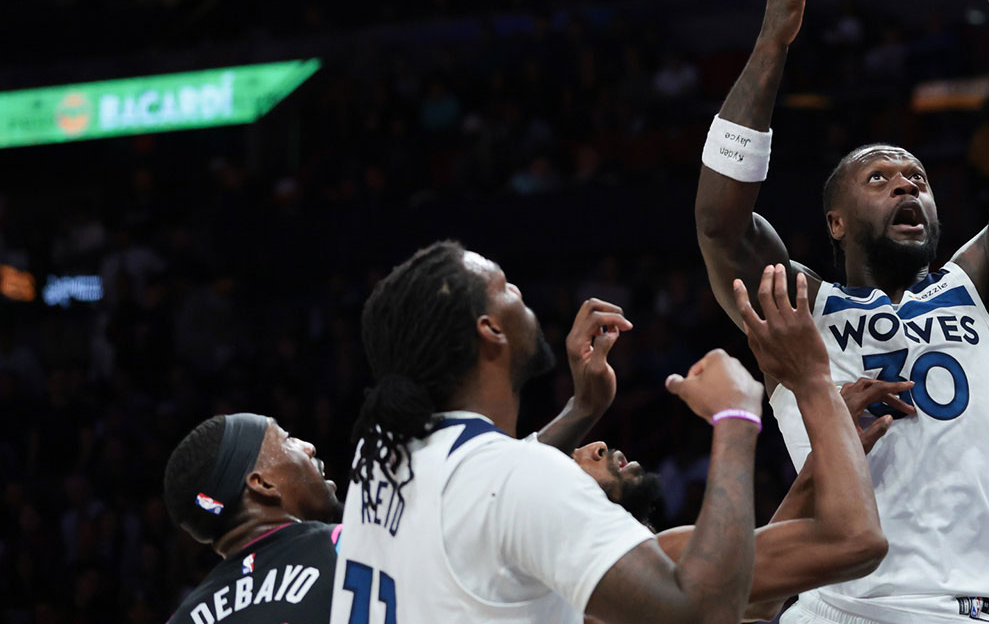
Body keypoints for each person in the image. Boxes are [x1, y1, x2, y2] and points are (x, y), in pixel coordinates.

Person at [696, 0, 989, 624]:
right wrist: (772, 39)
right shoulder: (801, 309)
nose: (908, 188)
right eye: (880, 179)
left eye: (918, 179)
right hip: (838, 608)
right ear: (835, 222)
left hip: (963, 607)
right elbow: (720, 224)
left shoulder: (988, 288)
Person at [331, 240, 766, 624]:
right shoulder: (518, 477)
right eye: (505, 287)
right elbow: (703, 612)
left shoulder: (380, 460)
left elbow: (489, 496)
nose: (519, 292)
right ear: (491, 330)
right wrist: (736, 418)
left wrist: (583, 408)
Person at [574, 268, 905, 620]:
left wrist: (824, 456)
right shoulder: (630, 566)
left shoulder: (635, 565)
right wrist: (810, 379)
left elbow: (759, 598)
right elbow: (854, 541)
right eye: (568, 463)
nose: (596, 446)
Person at [161, 414, 343, 624]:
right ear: (263, 484)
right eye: (287, 440)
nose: (309, 447)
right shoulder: (343, 546)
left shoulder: (183, 619)